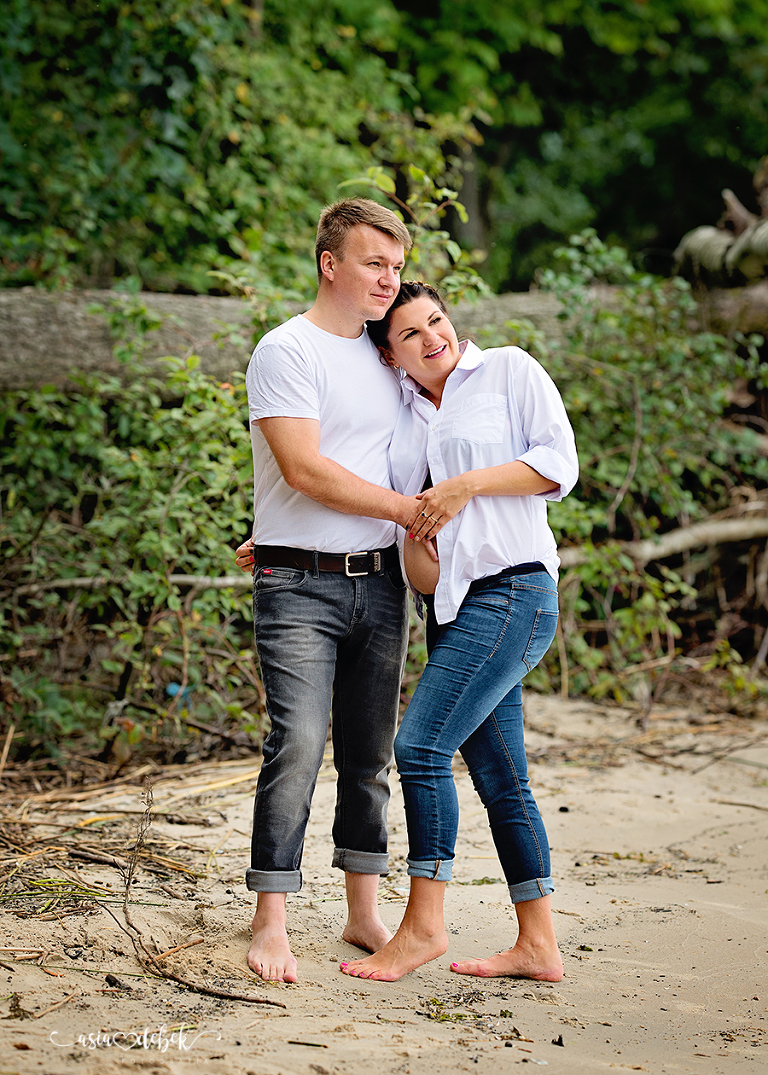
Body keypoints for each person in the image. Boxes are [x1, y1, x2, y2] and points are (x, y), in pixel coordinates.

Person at [338, 281, 579, 982]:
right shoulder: (405, 422)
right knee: (504, 779)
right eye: (410, 335)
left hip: (515, 590)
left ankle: (423, 925)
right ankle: (538, 943)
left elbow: (557, 465)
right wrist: (417, 536)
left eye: (435, 321)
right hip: (449, 609)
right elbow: (412, 543)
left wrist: (464, 485)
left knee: (418, 748)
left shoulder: (507, 369)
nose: (432, 338)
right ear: (391, 356)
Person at [237, 200, 434, 984]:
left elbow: (427, 441)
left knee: (368, 753)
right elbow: (305, 469)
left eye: (395, 265)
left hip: (381, 584)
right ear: (330, 264)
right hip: (297, 586)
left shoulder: (389, 359)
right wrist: (400, 512)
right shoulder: (286, 349)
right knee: (296, 745)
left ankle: (362, 911)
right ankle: (271, 920)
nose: (388, 279)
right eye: (372, 263)